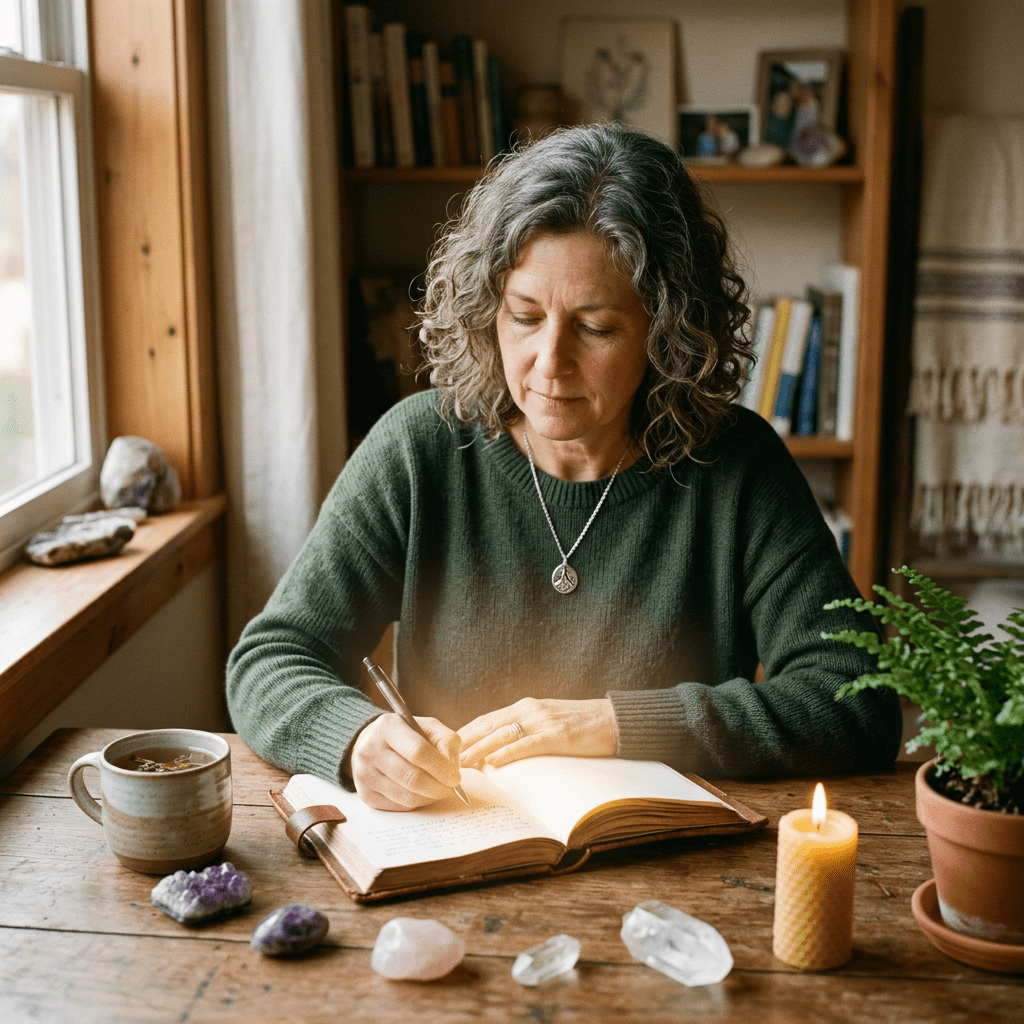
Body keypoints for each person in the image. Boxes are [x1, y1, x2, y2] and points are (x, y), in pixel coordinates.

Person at [226, 123, 901, 812]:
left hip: (679, 872)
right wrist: (356, 736)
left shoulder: (737, 467)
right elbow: (271, 659)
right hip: (458, 855)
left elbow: (856, 699)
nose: (549, 364)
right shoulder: (419, 447)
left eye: (596, 327)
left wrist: (614, 724)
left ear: (667, 330)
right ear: (488, 311)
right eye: (523, 317)